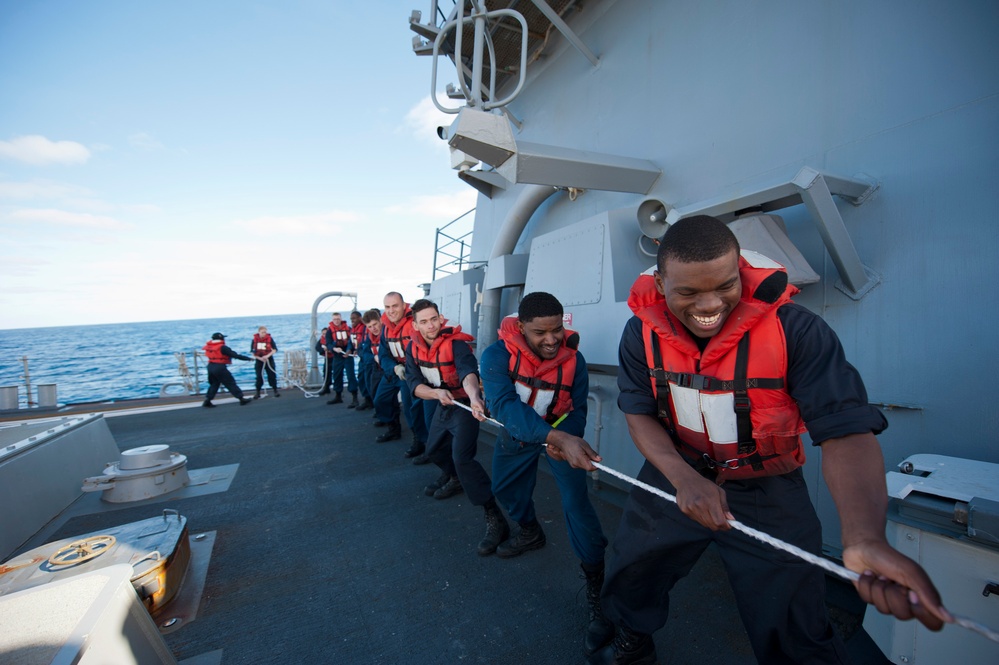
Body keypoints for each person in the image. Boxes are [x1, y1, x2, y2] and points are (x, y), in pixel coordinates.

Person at [580, 216, 948, 664]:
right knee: (633, 566)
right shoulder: (640, 332)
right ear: (659, 283)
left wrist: (864, 536)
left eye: (725, 285)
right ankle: (632, 636)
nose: (710, 305)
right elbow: (638, 412)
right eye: (688, 292)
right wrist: (683, 480)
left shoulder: (798, 330)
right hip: (676, 469)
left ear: (740, 269)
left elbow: (844, 431)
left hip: (766, 484)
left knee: (793, 610)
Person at [479, 291, 611, 656]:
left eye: (556, 330)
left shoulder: (575, 361)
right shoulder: (495, 356)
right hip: (519, 433)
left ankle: (596, 582)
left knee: (577, 506)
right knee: (505, 489)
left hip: (561, 434)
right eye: (541, 332)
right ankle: (530, 531)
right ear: (520, 328)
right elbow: (503, 404)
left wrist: (565, 438)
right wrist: (550, 436)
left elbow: (579, 406)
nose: (551, 340)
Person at [405, 299, 510, 555]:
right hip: (442, 404)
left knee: (463, 458)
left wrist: (475, 399)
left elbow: (468, 373)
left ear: (441, 319)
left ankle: (494, 516)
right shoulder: (413, 349)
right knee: (433, 451)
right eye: (424, 321)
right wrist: (434, 394)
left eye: (434, 319)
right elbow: (413, 383)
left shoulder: (456, 344)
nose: (430, 325)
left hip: (463, 406)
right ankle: (455, 479)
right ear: (415, 325)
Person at [373, 292, 432, 453]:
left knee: (411, 408)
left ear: (404, 305)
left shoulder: (414, 323)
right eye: (387, 307)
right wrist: (394, 368)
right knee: (380, 399)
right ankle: (393, 428)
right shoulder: (385, 327)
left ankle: (421, 441)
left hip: (411, 373)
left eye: (395, 306)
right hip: (395, 370)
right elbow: (383, 354)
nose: (391, 311)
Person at [202, 332, 253, 407]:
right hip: (219, 367)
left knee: (214, 384)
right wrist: (248, 359)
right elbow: (235, 355)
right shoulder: (222, 347)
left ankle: (207, 400)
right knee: (230, 382)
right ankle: (241, 398)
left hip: (210, 366)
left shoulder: (209, 347)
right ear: (221, 338)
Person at [322, 312, 357, 406]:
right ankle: (338, 396)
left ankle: (355, 397)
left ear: (341, 319)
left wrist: (350, 350)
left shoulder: (348, 329)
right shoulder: (329, 331)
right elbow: (328, 343)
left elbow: (352, 341)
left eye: (338, 319)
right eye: (334, 319)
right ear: (332, 320)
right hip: (337, 356)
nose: (336, 321)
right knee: (337, 375)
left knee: (351, 375)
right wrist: (334, 349)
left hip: (347, 354)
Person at [357, 309, 382, 412]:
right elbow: (365, 351)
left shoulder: (387, 333)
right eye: (370, 327)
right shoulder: (369, 337)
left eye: (375, 324)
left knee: (386, 395)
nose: (373, 328)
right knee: (374, 390)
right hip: (375, 366)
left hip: (389, 368)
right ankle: (381, 415)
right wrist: (374, 358)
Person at [251, 326, 280, 399]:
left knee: (272, 375)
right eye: (262, 332)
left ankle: (275, 390)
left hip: (269, 360)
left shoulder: (270, 339)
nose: (264, 334)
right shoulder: (254, 340)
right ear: (259, 332)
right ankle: (257, 392)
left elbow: (275, 349)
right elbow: (253, 352)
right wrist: (260, 358)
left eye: (265, 332)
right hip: (259, 360)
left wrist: (267, 356)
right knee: (259, 376)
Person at [349, 310, 370, 409]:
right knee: (361, 378)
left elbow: (364, 343)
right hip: (361, 358)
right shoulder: (353, 329)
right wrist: (350, 349)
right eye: (351, 319)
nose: (352, 320)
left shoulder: (364, 328)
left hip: (367, 357)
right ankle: (367, 399)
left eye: (354, 318)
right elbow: (352, 341)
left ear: (360, 318)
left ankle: (370, 400)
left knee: (368, 379)